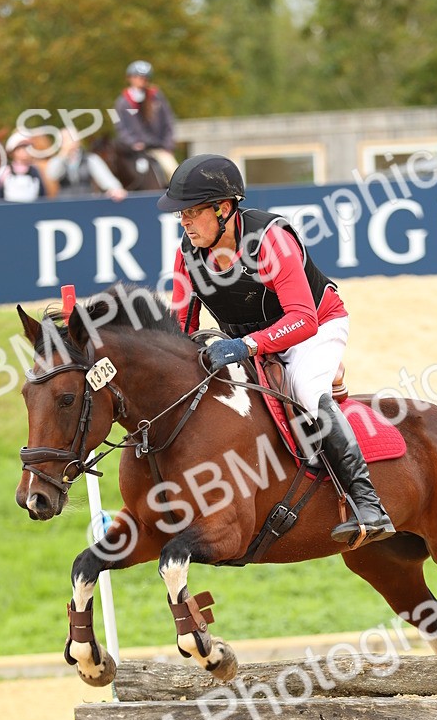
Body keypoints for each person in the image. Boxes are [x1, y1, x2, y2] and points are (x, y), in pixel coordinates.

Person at [158, 154, 396, 546]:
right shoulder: (187, 253)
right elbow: (182, 324)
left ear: (224, 209)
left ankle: (367, 503)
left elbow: (303, 318)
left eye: (191, 212)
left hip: (314, 329)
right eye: (180, 213)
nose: (183, 221)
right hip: (250, 345)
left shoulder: (270, 240)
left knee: (305, 389)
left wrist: (245, 345)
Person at [114, 60, 178, 183]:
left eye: (144, 78)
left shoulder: (156, 97)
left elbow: (168, 121)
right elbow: (120, 127)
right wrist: (133, 142)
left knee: (173, 172)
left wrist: (167, 145)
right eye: (137, 77)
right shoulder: (122, 102)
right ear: (130, 78)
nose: (141, 80)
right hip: (134, 149)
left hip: (158, 147)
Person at [46, 128, 127, 200]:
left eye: (71, 138)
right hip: (64, 203)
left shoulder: (90, 159)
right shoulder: (57, 160)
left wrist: (115, 189)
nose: (69, 142)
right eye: (65, 139)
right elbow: (52, 175)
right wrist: (63, 154)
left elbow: (106, 178)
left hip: (87, 201)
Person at [0, 133, 47, 202]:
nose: (25, 152)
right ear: (13, 152)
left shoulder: (35, 171)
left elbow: (42, 196)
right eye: (21, 148)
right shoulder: (4, 171)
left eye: (27, 148)